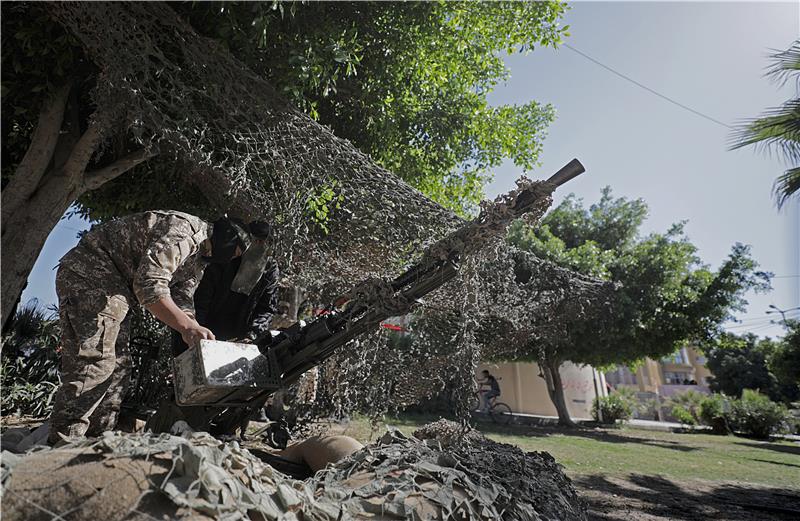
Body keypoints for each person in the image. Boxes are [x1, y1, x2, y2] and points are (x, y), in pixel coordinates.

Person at [48, 211, 255, 445]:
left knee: (118, 367)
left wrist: (193, 325)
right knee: (95, 363)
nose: (229, 260)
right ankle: (63, 443)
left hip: (117, 290)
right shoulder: (183, 233)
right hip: (91, 274)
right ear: (228, 238)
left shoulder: (200, 258)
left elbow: (181, 295)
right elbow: (148, 284)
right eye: (234, 253)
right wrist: (186, 327)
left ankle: (95, 441)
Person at [171, 220, 280, 356]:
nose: (260, 247)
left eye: (265, 243)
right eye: (256, 241)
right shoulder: (226, 255)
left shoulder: (269, 270)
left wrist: (252, 335)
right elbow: (200, 297)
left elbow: (266, 308)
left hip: (237, 337)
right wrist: (197, 331)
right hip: (204, 325)